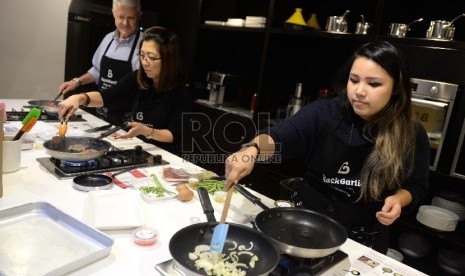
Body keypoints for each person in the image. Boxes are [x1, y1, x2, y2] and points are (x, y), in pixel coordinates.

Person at [224, 41, 430, 254]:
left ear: (396, 88)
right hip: (304, 224)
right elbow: (279, 137)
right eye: (354, 80)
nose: (359, 91)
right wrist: (251, 151)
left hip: (362, 238)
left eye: (374, 84)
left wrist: (398, 199)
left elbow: (416, 185)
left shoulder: (411, 132)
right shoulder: (325, 113)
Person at [58, 26, 191, 155]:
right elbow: (107, 97)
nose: (145, 62)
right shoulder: (139, 78)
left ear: (168, 59)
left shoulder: (180, 93)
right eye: (142, 55)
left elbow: (173, 135)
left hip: (164, 155)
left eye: (151, 57)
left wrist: (146, 131)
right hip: (140, 148)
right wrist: (80, 98)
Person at [58, 0, 143, 124]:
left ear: (139, 16)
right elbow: (97, 71)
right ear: (113, 14)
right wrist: (76, 82)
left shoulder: (145, 44)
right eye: (121, 17)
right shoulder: (108, 39)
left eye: (130, 18)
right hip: (101, 113)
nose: (125, 23)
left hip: (127, 118)